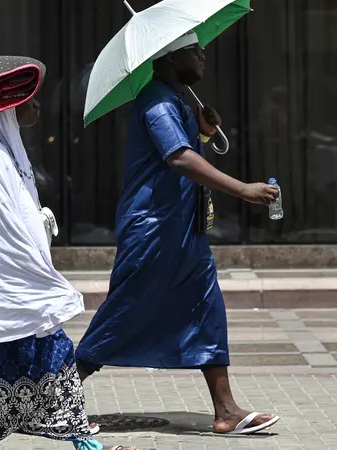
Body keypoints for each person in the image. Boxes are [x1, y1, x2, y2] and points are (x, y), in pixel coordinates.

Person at [74, 32, 281, 435]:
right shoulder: (157, 101)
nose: (203, 55)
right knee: (125, 311)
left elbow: (186, 150)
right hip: (153, 230)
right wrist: (243, 189)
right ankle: (53, 397)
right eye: (193, 49)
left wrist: (203, 133)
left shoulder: (178, 103)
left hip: (182, 231)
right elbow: (179, 159)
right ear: (168, 59)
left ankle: (226, 411)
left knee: (207, 308)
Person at [0, 50, 134, 450]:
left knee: (55, 359)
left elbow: (14, 214)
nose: (38, 106)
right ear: (8, 106)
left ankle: (81, 442)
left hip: (12, 294)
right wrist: (43, 280)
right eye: (29, 100)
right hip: (1, 293)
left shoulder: (9, 152)